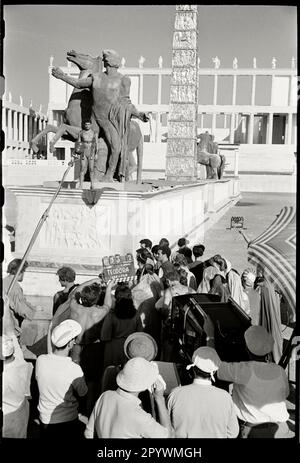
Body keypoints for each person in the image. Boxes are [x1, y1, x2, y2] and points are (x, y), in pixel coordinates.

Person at [52, 49, 149, 182]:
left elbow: (126, 102)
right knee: (87, 140)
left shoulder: (124, 80)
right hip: (95, 119)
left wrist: (139, 114)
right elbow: (78, 84)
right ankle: (87, 174)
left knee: (116, 147)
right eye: (104, 60)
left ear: (110, 62)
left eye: (105, 60)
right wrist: (62, 76)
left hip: (111, 120)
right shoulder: (96, 77)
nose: (104, 62)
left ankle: (109, 175)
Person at [204, 319, 293, 439]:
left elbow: (214, 366)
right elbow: (285, 394)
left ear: (246, 348)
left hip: (254, 432)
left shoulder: (243, 370)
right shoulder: (279, 371)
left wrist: (210, 335)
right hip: (281, 430)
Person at [84, 357, 172, 438]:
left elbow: (88, 433)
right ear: (145, 385)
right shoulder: (140, 416)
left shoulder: (105, 396)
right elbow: (168, 436)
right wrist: (159, 398)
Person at [167, 346, 239, 438]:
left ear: (193, 369)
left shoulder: (175, 394)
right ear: (214, 371)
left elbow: (166, 429)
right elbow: (233, 433)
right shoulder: (225, 397)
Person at [35, 319, 88, 438]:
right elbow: (83, 393)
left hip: (44, 418)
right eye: (73, 340)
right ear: (70, 344)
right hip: (67, 420)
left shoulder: (41, 360)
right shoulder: (74, 369)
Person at [100, 285, 143, 369]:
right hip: (130, 348)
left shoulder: (111, 315)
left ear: (116, 298)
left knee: (111, 376)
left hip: (113, 349)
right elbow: (140, 334)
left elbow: (104, 336)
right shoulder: (136, 314)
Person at [2, 335, 33, 438]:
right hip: (22, 410)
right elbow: (13, 341)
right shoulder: (20, 360)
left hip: (8, 417)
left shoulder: (5, 376)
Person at [3, 259, 37, 340]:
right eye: (24, 271)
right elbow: (22, 310)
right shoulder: (15, 287)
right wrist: (34, 310)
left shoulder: (4, 281)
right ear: (20, 272)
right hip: (10, 329)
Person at [76, 120, 98, 189]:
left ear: (91, 125)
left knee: (91, 169)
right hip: (83, 151)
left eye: (89, 124)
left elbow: (96, 143)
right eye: (86, 124)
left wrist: (96, 153)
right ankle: (81, 185)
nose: (87, 125)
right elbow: (79, 143)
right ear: (84, 125)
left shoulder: (94, 133)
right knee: (82, 168)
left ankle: (92, 185)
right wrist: (77, 153)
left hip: (91, 151)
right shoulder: (81, 132)